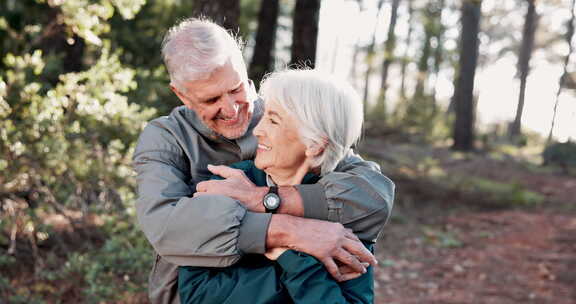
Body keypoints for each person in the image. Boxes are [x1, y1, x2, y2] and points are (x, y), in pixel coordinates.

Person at [132, 18, 395, 304]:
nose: (231, 109)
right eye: (211, 100)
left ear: (244, 71)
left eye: (235, 89)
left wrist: (264, 199)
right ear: (181, 94)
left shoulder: (290, 114)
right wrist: (290, 231)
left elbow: (372, 196)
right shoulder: (166, 138)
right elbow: (164, 225)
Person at [178, 69, 385, 303]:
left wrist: (287, 254)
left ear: (315, 144)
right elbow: (197, 293)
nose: (257, 130)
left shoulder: (346, 210)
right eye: (264, 116)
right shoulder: (227, 185)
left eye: (273, 120)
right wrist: (297, 256)